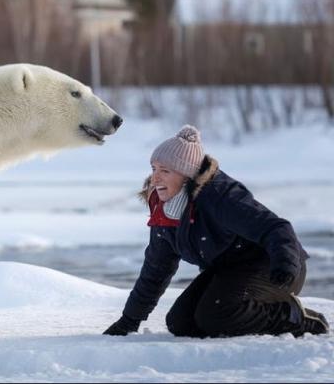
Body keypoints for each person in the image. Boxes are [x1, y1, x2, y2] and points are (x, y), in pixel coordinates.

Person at [103, 125, 329, 339]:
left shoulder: (219, 196)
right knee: (180, 323)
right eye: (154, 169)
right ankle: (233, 320)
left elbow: (276, 227)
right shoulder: (165, 210)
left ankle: (296, 317)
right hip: (229, 270)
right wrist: (129, 319)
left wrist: (285, 263)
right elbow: (156, 268)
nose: (155, 178)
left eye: (165, 171)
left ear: (187, 176)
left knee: (216, 315)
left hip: (272, 266)